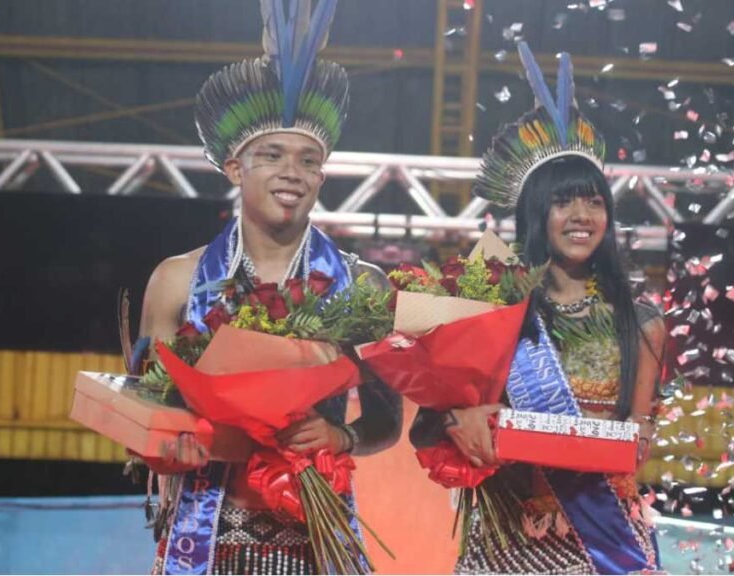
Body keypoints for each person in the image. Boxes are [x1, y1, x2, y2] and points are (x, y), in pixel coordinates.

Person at [136, 1, 401, 573]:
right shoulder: (177, 280)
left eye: (309, 161)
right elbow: (141, 409)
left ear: (322, 176)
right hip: (205, 541)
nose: (292, 173)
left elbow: (388, 421)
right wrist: (168, 444)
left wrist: (340, 436)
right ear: (235, 168)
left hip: (313, 540)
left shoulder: (362, 285)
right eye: (272, 155)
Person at [410, 43, 666, 574]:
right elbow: (427, 427)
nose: (581, 216)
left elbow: (636, 445)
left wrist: (622, 436)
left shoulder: (642, 323)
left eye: (594, 201)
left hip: (602, 545)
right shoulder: (489, 309)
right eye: (562, 201)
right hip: (506, 541)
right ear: (534, 214)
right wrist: (460, 420)